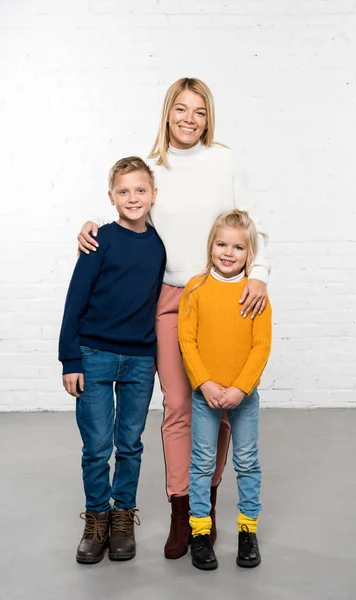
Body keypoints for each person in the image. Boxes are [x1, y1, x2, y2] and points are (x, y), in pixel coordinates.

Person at [77, 77, 270, 559]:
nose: (189, 119)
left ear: (209, 117)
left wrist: (259, 273)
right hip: (167, 298)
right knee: (181, 404)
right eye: (180, 109)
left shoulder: (225, 161)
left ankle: (205, 504)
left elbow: (254, 223)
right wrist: (90, 227)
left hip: (220, 294)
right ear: (167, 113)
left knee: (222, 409)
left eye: (199, 111)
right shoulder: (154, 166)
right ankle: (182, 509)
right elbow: (130, 214)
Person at [59, 157, 166, 564]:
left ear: (154, 195)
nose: (133, 198)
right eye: (124, 191)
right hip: (95, 355)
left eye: (141, 190)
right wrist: (70, 358)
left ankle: (122, 517)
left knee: (130, 444)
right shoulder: (98, 240)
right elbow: (75, 300)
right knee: (97, 446)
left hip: (140, 359)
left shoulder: (159, 245)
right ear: (111, 197)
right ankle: (97, 518)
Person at [178, 210, 272, 571]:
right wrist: (204, 383)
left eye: (237, 247)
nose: (228, 252)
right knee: (202, 463)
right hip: (206, 395)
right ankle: (200, 531)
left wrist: (240, 389)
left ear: (250, 253)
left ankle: (248, 530)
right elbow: (187, 340)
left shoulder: (255, 293)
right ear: (210, 245)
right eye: (221, 244)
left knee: (247, 462)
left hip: (243, 397)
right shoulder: (196, 288)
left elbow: (260, 347)